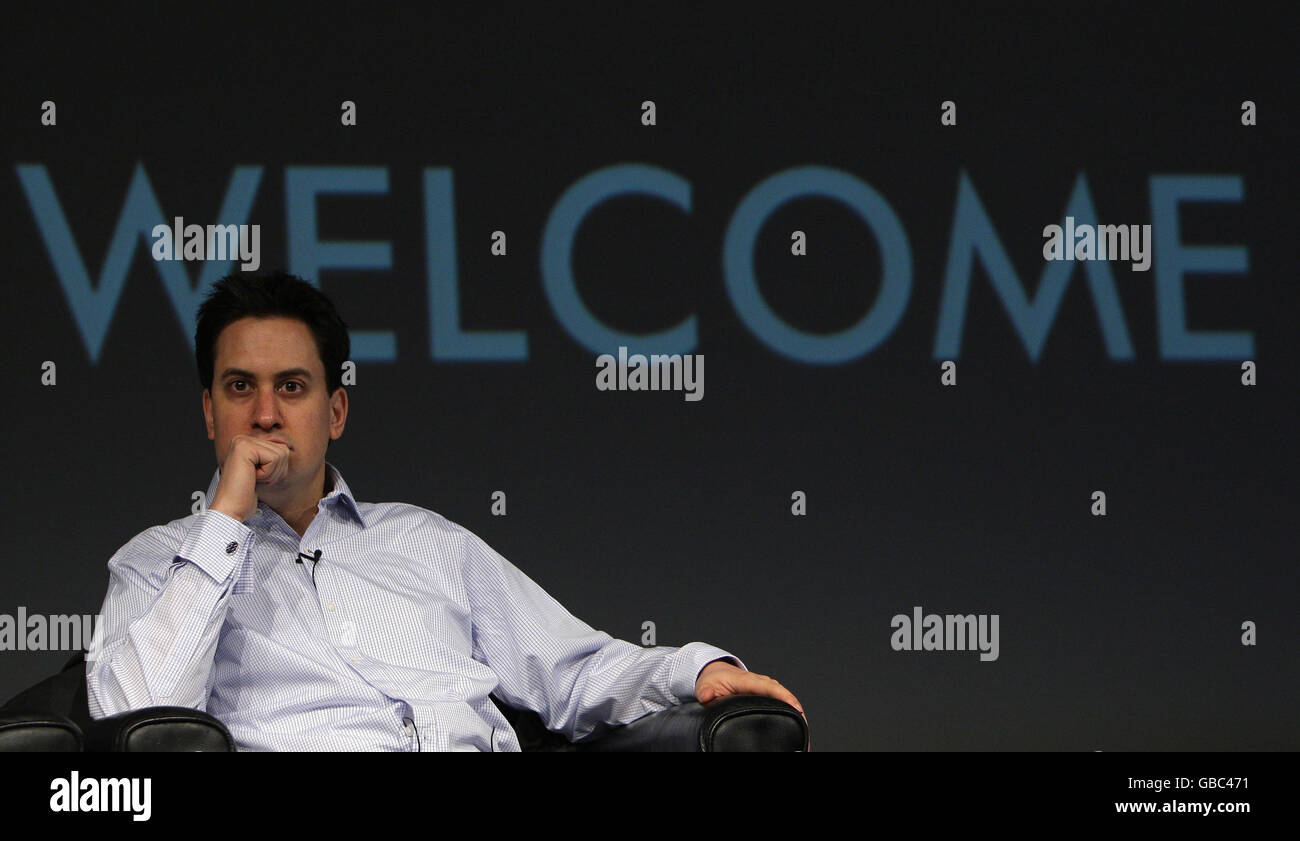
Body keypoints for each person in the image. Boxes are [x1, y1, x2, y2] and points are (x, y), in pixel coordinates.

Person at [86, 270, 803, 751]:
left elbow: (574, 670)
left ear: (335, 410)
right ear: (210, 412)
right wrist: (225, 524)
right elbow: (136, 726)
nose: (266, 413)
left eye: (293, 386)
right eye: (240, 386)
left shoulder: (429, 543)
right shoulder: (159, 564)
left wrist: (692, 671)